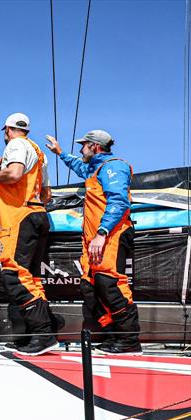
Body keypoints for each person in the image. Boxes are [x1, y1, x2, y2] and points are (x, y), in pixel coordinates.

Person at [46, 130, 142, 354]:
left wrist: (102, 232)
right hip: (93, 239)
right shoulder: (95, 168)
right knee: (89, 286)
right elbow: (80, 166)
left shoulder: (113, 166)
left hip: (110, 235)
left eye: (83, 146)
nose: (81, 150)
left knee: (110, 284)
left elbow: (118, 202)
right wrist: (60, 152)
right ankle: (113, 333)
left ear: (95, 146)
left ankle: (129, 340)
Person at [0, 113, 58, 355]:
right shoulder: (39, 153)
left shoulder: (16, 145)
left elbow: (14, 174)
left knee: (14, 275)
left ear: (7, 129)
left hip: (19, 217)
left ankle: (42, 334)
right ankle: (40, 335)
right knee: (31, 277)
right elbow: (47, 194)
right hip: (38, 213)